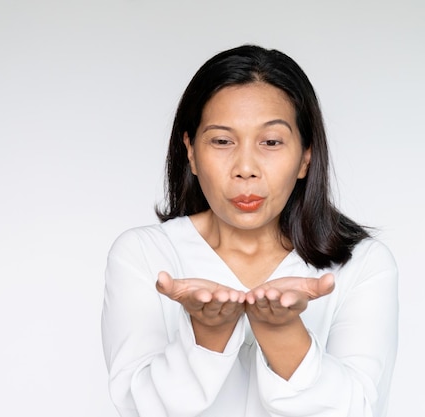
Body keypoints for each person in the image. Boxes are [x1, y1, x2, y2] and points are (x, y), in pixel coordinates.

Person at [101, 45, 398, 417]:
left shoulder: (363, 264)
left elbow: (361, 410)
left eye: (271, 142)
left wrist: (282, 332)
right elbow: (136, 408)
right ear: (190, 151)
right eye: (222, 141)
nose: (245, 168)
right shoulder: (143, 255)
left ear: (306, 155)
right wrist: (207, 336)